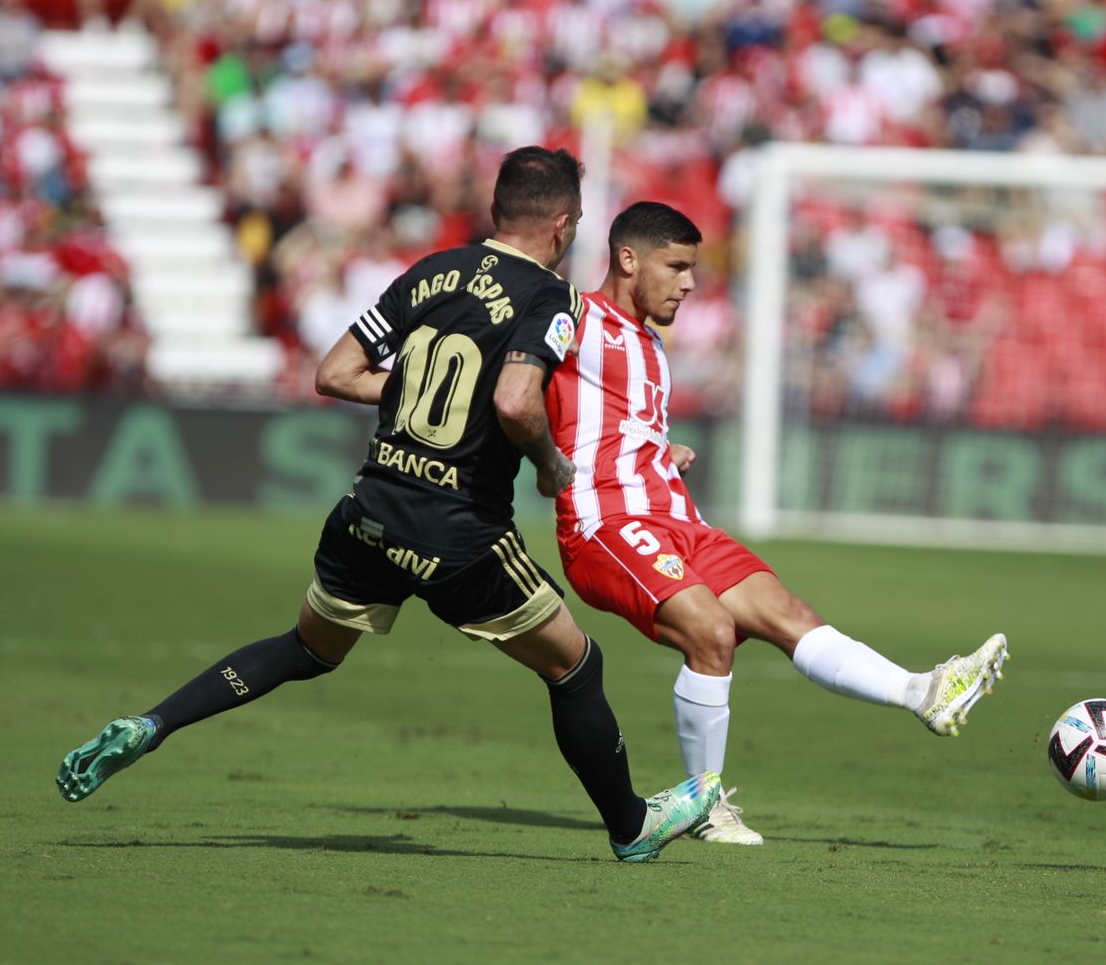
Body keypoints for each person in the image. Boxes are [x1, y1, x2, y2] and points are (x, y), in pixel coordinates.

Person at [56, 149, 720, 863]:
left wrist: (421, 395)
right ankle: (630, 826)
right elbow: (515, 400)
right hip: (458, 526)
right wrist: (551, 467)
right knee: (575, 666)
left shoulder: (433, 270)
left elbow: (334, 373)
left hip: (370, 508)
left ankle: (153, 724)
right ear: (563, 226)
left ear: (497, 211)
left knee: (307, 647)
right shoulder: (549, 296)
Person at [546, 201, 1009, 846]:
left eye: (692, 270)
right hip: (607, 524)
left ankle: (921, 692)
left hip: (679, 517)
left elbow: (615, 424)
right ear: (628, 260)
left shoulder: (652, 343)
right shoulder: (570, 318)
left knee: (788, 612)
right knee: (712, 632)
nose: (689, 283)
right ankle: (704, 806)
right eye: (676, 267)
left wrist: (658, 451)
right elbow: (515, 390)